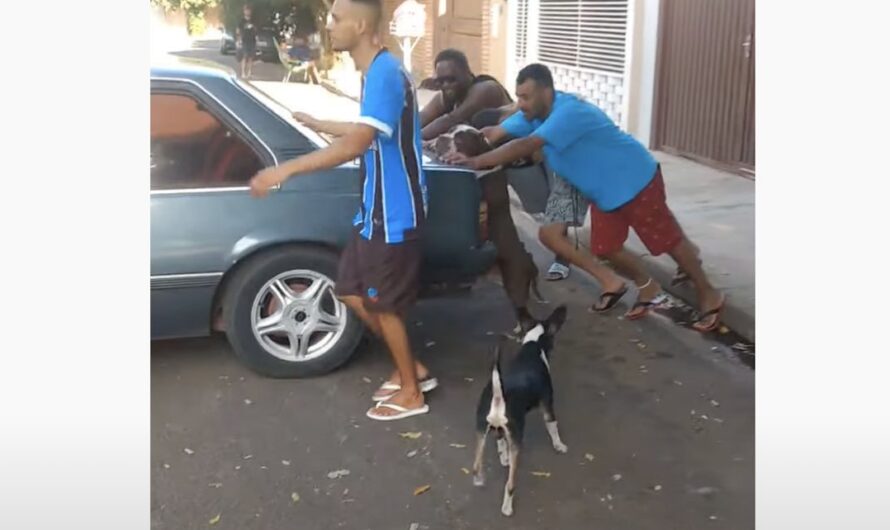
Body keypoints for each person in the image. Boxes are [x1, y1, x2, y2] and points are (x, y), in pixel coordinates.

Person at [250, 0, 434, 420]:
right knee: (350, 289)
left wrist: (285, 171)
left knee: (384, 306)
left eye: (335, 18)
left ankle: (412, 393)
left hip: (394, 214)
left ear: (361, 24)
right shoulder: (376, 72)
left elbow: (357, 143)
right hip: (374, 210)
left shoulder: (386, 73)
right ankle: (415, 370)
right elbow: (368, 128)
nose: (328, 26)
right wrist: (319, 123)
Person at [443, 64, 725, 332]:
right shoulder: (534, 114)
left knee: (668, 241)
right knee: (605, 248)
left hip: (635, 179)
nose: (521, 103)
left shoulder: (568, 112)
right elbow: (497, 133)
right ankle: (648, 288)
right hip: (604, 192)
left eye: (526, 96)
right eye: (518, 97)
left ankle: (709, 294)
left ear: (546, 92)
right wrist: (467, 144)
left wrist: (478, 162)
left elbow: (526, 144)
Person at [419, 50, 539, 330]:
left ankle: (527, 300)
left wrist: (408, 139)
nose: (447, 85)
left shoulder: (484, 89)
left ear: (468, 73)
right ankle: (521, 289)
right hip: (486, 169)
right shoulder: (446, 95)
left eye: (452, 78)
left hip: (526, 164)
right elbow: (421, 118)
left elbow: (448, 122)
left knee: (524, 230)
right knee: (496, 237)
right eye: (441, 81)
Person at [236, 5, 258, 79]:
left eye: (249, 10)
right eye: (246, 10)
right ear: (244, 11)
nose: (247, 11)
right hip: (244, 41)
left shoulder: (253, 20)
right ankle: (243, 73)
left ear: (250, 11)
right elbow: (238, 31)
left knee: (251, 58)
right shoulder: (241, 21)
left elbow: (256, 30)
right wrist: (239, 39)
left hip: (252, 41)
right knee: (244, 57)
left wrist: (255, 34)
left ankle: (249, 73)